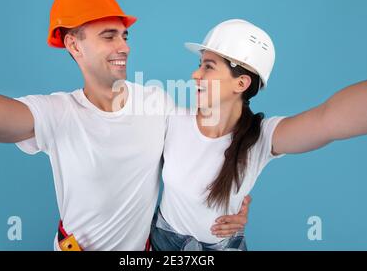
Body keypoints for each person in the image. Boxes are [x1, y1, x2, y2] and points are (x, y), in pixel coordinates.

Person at [0, 0, 249, 251]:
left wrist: (234, 204)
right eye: (108, 36)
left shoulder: (156, 102)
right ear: (74, 46)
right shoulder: (56, 113)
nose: (124, 47)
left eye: (124, 36)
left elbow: (203, 151)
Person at [150, 19, 367, 251]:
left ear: (241, 83)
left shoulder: (262, 137)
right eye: (199, 64)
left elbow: (327, 120)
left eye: (208, 66)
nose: (195, 74)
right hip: (164, 242)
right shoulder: (172, 119)